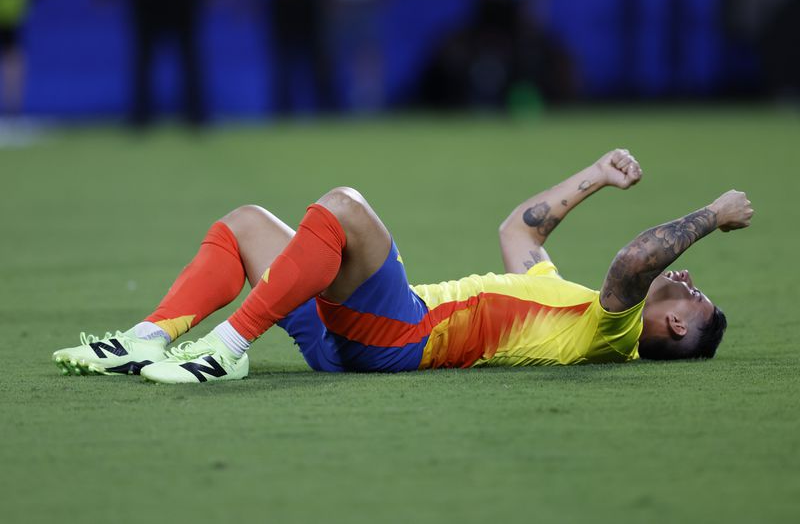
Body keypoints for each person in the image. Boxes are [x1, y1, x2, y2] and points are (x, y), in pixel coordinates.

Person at [52, 149, 754, 383]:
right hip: (363, 339)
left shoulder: (610, 333)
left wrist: (711, 217)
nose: (689, 281)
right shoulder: (564, 304)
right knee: (246, 225)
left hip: (406, 336)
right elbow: (520, 228)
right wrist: (596, 173)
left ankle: (228, 348)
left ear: (669, 327)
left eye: (694, 299)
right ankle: (145, 338)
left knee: (346, 207)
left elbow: (635, 258)